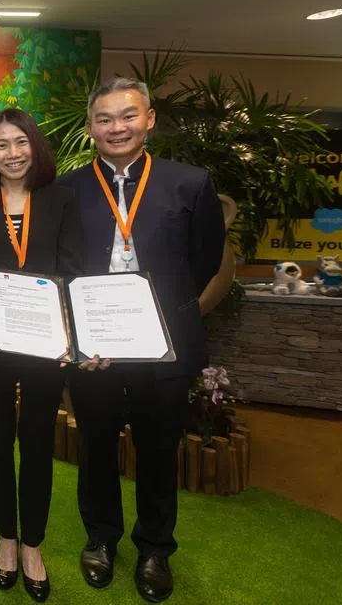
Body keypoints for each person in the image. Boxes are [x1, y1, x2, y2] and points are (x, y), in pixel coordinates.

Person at [59, 77, 225, 603]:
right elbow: (61, 265)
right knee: (97, 446)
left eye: (127, 115)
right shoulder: (68, 188)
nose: (116, 127)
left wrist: (165, 312)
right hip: (96, 349)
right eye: (104, 119)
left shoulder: (189, 183)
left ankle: (155, 547)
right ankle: (101, 538)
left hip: (164, 348)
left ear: (149, 119)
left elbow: (203, 261)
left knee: (158, 450)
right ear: (90, 129)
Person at [0, 108, 83, 603]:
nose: (12, 154)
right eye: (1, 146)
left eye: (19, 142)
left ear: (35, 145)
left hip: (45, 341)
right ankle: (4, 538)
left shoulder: (62, 201)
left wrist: (63, 323)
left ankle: (32, 543)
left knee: (35, 443)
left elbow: (73, 268)